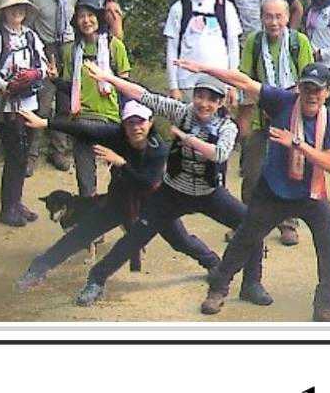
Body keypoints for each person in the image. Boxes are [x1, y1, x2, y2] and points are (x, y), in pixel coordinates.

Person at [69, 63, 268, 308]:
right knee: (136, 237)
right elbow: (143, 95)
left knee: (252, 225)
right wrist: (108, 78)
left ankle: (252, 284)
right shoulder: (181, 112)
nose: (204, 104)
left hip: (209, 192)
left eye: (211, 99)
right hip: (173, 192)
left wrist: (187, 138)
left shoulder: (227, 126)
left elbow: (219, 153)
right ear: (193, 96)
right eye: (200, 96)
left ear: (220, 103)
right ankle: (96, 280)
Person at [178, 60, 330, 320]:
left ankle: (325, 306)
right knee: (245, 238)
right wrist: (203, 68)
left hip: (310, 194)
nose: (311, 95)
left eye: (317, 90)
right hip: (273, 190)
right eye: (307, 88)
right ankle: (218, 289)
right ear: (298, 88)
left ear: (328, 92)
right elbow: (242, 81)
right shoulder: (282, 102)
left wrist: (297, 144)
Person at [14, 101, 221, 290]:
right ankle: (38, 269)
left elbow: (146, 182)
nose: (136, 128)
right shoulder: (116, 135)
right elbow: (84, 129)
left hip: (155, 203)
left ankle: (213, 264)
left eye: (140, 122)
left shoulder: (158, 149)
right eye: (130, 123)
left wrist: (121, 163)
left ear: (150, 123)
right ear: (123, 125)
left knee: (180, 240)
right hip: (119, 200)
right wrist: (45, 123)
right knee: (80, 235)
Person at [238, 0, 315, 246]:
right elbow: (245, 78)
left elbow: (307, 82)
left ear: (288, 17)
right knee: (252, 173)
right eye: (268, 16)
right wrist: (250, 113)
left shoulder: (298, 42)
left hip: (291, 118)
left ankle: (288, 224)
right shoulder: (254, 42)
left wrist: (283, 104)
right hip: (261, 119)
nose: (274, 22)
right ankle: (245, 223)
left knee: (290, 172)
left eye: (279, 16)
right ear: (261, 18)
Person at [0, 0, 48, 227]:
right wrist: (7, 85)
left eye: (20, 7)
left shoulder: (30, 36)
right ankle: (7, 208)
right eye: (12, 8)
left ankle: (16, 202)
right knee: (14, 156)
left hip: (29, 103)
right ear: (4, 12)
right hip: (5, 107)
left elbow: (43, 66)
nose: (17, 11)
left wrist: (34, 75)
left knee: (23, 156)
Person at [60, 0, 131, 198]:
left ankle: (119, 209)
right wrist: (55, 79)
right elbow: (69, 87)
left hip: (110, 118)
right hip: (82, 118)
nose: (86, 20)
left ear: (99, 18)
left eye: (90, 15)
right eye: (81, 16)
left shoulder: (114, 46)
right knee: (85, 179)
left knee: (120, 173)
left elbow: (126, 85)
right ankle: (89, 214)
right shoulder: (71, 50)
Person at [164, 0, 242, 103]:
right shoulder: (179, 8)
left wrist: (232, 84)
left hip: (219, 82)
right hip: (187, 83)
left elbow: (233, 47)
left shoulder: (225, 7)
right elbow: (172, 49)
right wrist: (173, 86)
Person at [27, 0, 79, 174]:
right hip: (46, 49)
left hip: (67, 49)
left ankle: (59, 151)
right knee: (43, 104)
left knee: (65, 105)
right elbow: (29, 27)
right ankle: (31, 154)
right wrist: (37, 54)